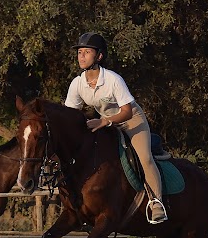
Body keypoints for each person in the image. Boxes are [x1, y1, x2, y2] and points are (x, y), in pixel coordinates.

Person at [64, 32, 167, 224]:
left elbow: (127, 111)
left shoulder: (112, 79)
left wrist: (104, 122)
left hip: (132, 120)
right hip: (105, 121)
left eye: (86, 52)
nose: (81, 56)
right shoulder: (77, 84)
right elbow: (70, 115)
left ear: (99, 56)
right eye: (79, 52)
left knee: (144, 157)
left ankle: (156, 202)